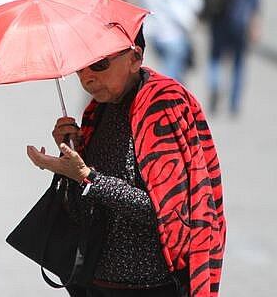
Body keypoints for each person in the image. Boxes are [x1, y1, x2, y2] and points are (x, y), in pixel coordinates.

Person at [26, 30, 226, 297]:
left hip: (151, 285)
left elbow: (166, 214)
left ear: (135, 58)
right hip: (98, 281)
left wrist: (87, 177)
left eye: (99, 64)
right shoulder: (99, 109)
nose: (87, 77)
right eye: (80, 67)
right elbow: (84, 207)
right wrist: (69, 157)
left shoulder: (162, 105)